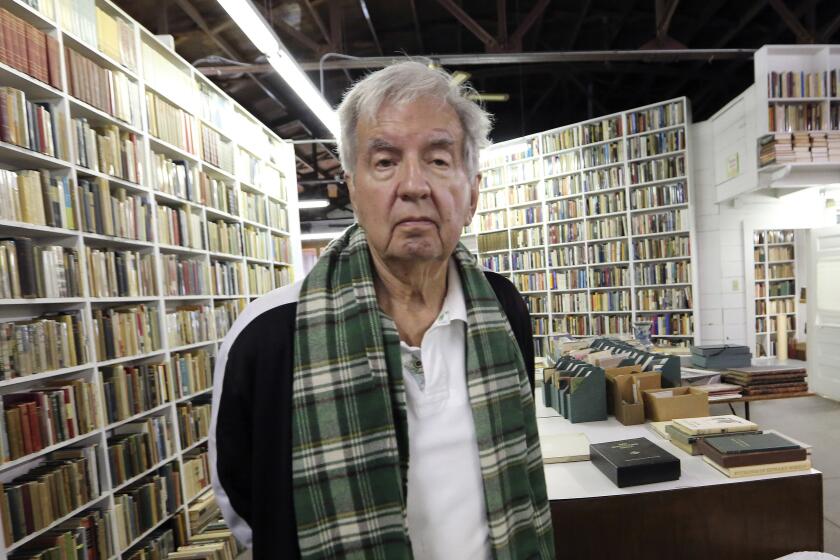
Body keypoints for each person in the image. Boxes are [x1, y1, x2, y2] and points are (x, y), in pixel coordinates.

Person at [210, 60, 555, 559]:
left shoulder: (504, 308)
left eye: (438, 160)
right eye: (386, 162)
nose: (413, 185)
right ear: (353, 188)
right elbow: (245, 502)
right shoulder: (269, 335)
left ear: (472, 192)